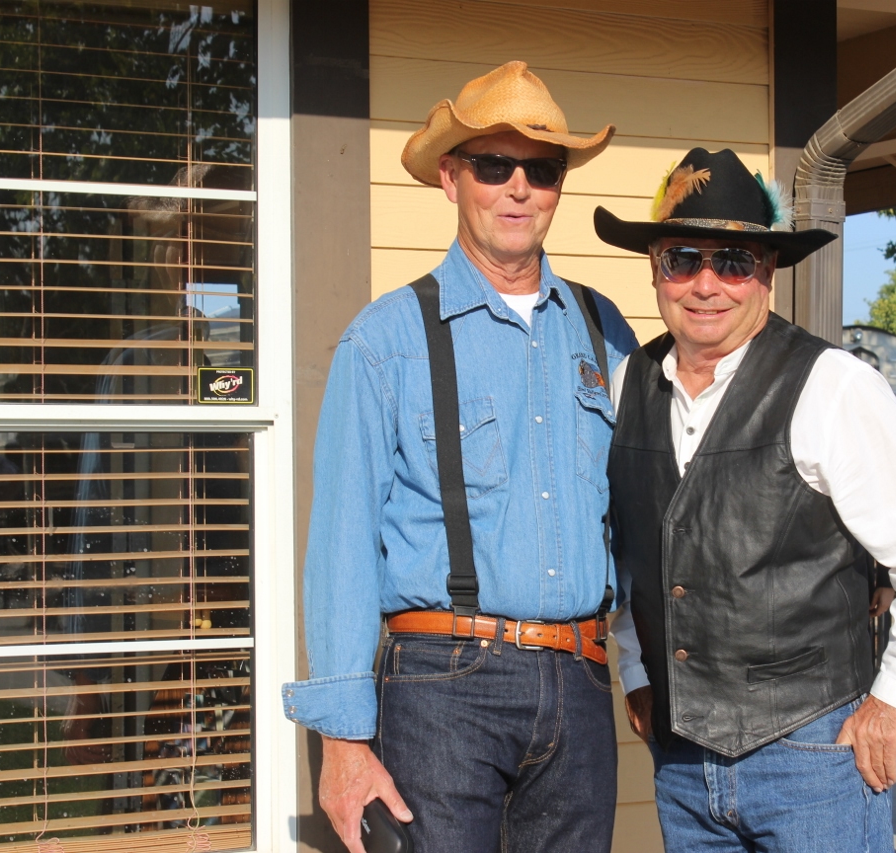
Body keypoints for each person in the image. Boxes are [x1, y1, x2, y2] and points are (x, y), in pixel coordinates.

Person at [282, 61, 638, 852]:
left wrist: (642, 667)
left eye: (541, 170)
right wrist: (342, 741)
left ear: (559, 187)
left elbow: (636, 517)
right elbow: (342, 545)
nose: (519, 187)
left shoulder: (605, 328)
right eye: (493, 165)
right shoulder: (386, 338)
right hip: (442, 685)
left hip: (579, 680)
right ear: (451, 178)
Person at [596, 147, 896, 852]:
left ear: (767, 273)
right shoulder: (628, 383)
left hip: (811, 754)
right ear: (655, 267)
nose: (706, 282)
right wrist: (634, 668)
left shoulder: (831, 384)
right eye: (682, 258)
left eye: (734, 262)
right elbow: (626, 554)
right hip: (682, 761)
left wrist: (893, 700)